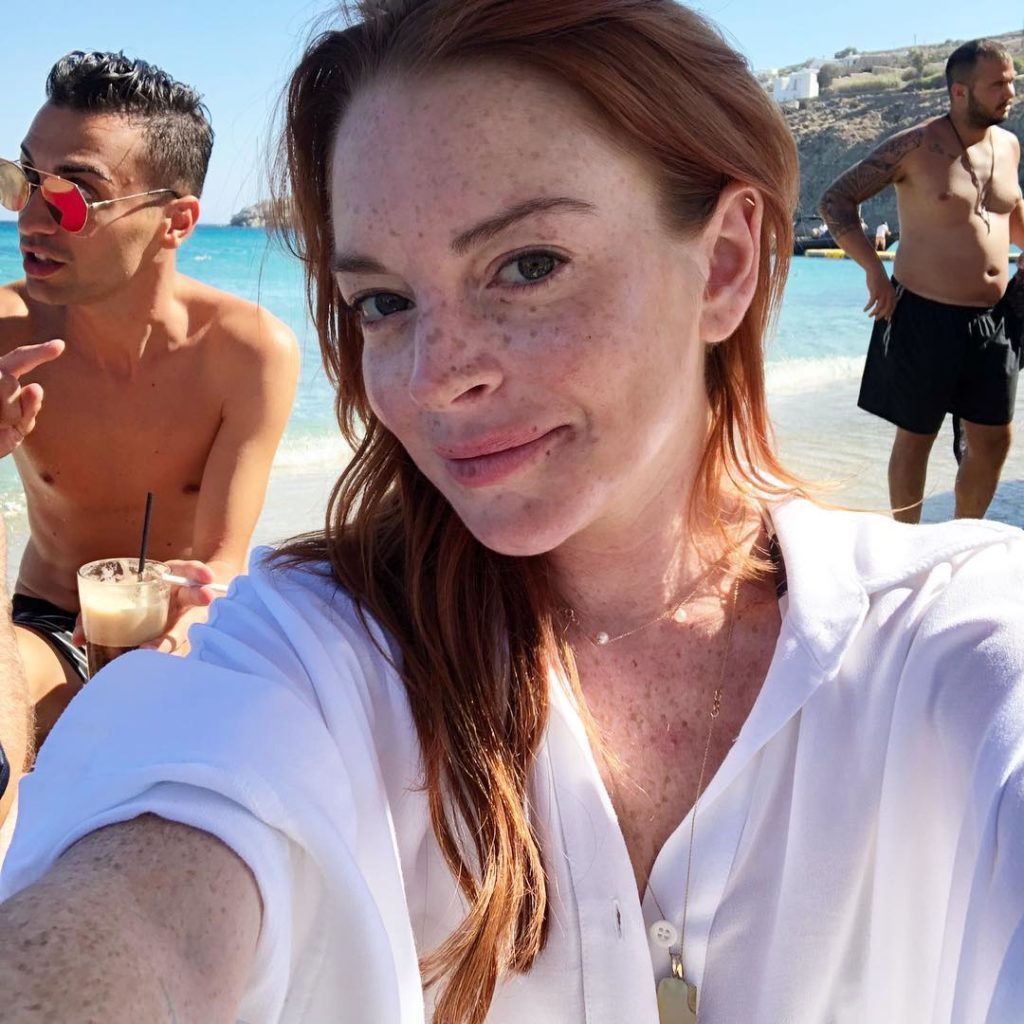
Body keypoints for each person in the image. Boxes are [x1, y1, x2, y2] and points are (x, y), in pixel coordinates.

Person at [0, 4, 1022, 1022]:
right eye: (383, 302)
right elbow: (161, 877)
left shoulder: (951, 636)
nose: (434, 379)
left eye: (528, 265)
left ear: (723, 263)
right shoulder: (315, 651)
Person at [0, 51, 299, 754]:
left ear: (176, 220)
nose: (31, 218)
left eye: (73, 194)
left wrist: (188, 622)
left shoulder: (250, 352)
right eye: (22, 180)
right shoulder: (7, 335)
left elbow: (222, 561)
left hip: (182, 629)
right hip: (46, 625)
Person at [819, 39, 1023, 524]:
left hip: (995, 319)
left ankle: (963, 535)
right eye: (997, 84)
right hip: (924, 314)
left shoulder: (1008, 145)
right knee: (916, 437)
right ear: (959, 91)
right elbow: (836, 200)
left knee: (993, 438)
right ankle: (905, 543)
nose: (1010, 93)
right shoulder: (915, 146)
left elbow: (1010, 210)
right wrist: (873, 270)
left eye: (1012, 81)